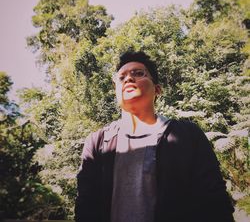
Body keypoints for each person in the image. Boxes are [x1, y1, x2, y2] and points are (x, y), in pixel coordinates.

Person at [75, 51, 235, 222]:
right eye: (121, 78)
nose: (128, 79)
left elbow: (215, 201)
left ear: (157, 89)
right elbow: (85, 206)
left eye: (138, 73)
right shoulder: (97, 143)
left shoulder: (188, 136)